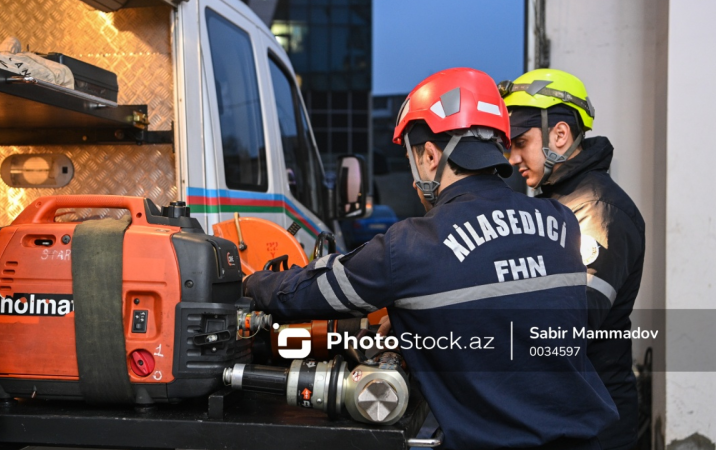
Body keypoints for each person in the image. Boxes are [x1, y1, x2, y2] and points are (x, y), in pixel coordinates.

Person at [245, 68, 617, 449]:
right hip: (589, 438)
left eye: (412, 158)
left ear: (429, 154)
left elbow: (308, 291)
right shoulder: (561, 222)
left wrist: (250, 281)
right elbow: (508, 304)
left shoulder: (411, 244)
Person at [500, 68, 646, 450]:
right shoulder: (556, 204)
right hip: (563, 416)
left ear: (559, 135)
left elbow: (570, 319)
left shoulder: (597, 209)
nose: (512, 158)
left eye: (520, 142)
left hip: (593, 427)